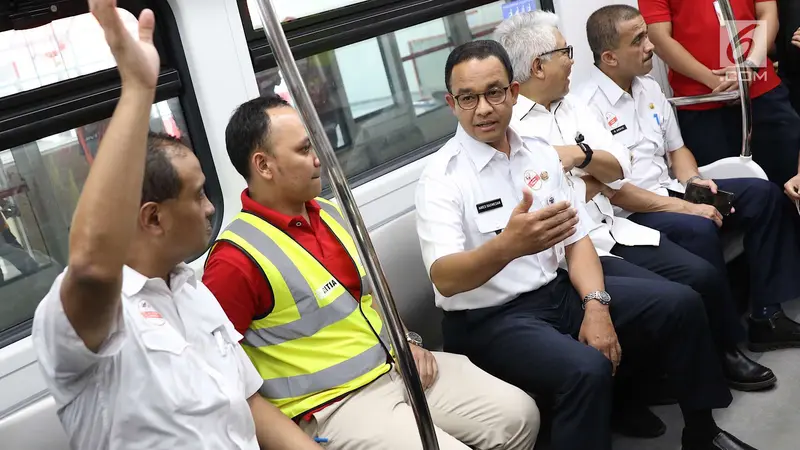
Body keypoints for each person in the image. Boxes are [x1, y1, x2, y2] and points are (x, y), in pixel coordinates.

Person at [416, 39, 756, 450]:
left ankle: (703, 433)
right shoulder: (442, 176)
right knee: (587, 370)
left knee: (680, 303)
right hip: (490, 320)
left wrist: (596, 305)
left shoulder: (538, 154)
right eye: (468, 98)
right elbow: (446, 278)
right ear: (452, 103)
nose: (483, 108)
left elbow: (577, 240)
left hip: (556, 291)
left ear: (514, 92)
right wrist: (507, 246)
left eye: (493, 92)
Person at [31, 2, 322, 449]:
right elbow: (91, 266)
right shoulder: (90, 320)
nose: (211, 208)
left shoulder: (190, 289)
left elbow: (247, 403)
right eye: (199, 195)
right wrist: (136, 90)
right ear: (153, 217)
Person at [202, 94, 539, 450]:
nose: (319, 160)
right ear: (264, 166)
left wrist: (405, 340)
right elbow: (221, 379)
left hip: (393, 367)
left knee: (519, 416)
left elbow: (368, 297)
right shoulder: (235, 260)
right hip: (332, 406)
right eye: (304, 151)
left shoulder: (329, 213)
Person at [493, 10, 775, 404]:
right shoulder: (514, 131)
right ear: (539, 66)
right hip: (578, 249)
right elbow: (573, 194)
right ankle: (669, 391)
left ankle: (724, 357)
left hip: (612, 229)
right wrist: (595, 169)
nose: (573, 59)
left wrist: (578, 156)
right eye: (565, 51)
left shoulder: (572, 107)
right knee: (685, 288)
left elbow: (619, 166)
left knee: (702, 274)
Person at [581, 4, 800, 352]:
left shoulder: (648, 88)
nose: (650, 46)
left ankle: (765, 315)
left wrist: (694, 182)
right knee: (698, 228)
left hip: (672, 189)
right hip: (636, 210)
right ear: (609, 57)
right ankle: (724, 345)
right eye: (638, 41)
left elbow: (677, 150)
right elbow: (615, 192)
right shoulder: (585, 108)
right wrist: (684, 208)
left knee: (764, 195)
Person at [640, 0, 800, 202]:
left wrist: (750, 65)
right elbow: (659, 38)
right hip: (700, 100)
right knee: (725, 192)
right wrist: (715, 82)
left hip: (761, 87)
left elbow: (767, 14)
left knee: (789, 173)